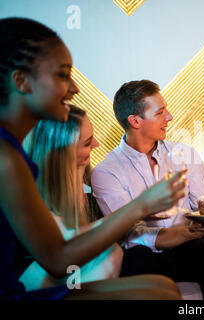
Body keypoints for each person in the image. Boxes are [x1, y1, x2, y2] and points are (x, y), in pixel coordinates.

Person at [0, 17, 186, 300]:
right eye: (63, 75)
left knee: (165, 288)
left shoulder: (12, 152)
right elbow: (57, 260)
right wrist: (142, 205)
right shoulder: (5, 157)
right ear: (21, 82)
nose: (74, 88)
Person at [91, 80, 204, 300]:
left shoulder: (185, 153)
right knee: (135, 258)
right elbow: (132, 233)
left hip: (188, 247)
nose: (170, 117)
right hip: (147, 255)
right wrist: (189, 231)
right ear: (135, 121)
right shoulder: (106, 171)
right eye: (160, 112)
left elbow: (202, 207)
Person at [19, 105, 124, 290]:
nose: (97, 145)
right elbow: (62, 263)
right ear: (62, 155)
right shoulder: (27, 198)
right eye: (87, 142)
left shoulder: (81, 185)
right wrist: (141, 207)